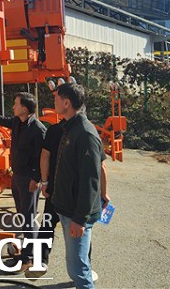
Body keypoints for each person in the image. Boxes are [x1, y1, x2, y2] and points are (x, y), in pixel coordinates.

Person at [0, 92, 46, 273]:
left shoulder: (38, 129)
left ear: (25, 108)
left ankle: (28, 258)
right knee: (23, 215)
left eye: (15, 104)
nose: (13, 106)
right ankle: (31, 252)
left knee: (28, 218)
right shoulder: (16, 123)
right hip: (17, 176)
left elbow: (42, 157)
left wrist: (37, 179)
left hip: (29, 179)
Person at [37, 111, 110, 282]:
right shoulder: (87, 131)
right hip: (78, 192)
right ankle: (86, 268)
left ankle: (41, 261)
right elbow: (101, 167)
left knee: (47, 223)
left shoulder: (54, 130)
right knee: (83, 233)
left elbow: (45, 156)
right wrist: (103, 193)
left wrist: (45, 182)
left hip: (56, 188)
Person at [48, 83, 103, 289]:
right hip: (68, 210)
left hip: (76, 214)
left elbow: (90, 181)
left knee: (78, 270)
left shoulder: (85, 134)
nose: (53, 102)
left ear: (66, 102)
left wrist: (80, 220)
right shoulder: (70, 128)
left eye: (56, 99)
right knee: (77, 266)